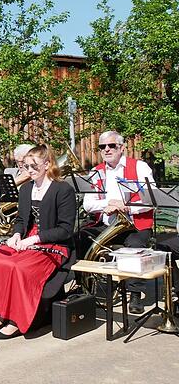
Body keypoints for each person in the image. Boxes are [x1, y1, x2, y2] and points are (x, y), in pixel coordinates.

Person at [0, 144, 76, 339]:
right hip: (28, 240)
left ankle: (16, 320)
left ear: (47, 164)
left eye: (34, 166)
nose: (29, 170)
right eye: (26, 166)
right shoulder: (27, 189)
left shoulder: (63, 190)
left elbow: (65, 230)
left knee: (18, 268)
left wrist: (35, 238)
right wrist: (17, 235)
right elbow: (21, 220)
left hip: (55, 245)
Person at [81, 130, 154, 314]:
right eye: (102, 146)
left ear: (121, 148)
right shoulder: (96, 172)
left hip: (135, 224)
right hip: (107, 225)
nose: (107, 149)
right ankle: (87, 288)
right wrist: (108, 203)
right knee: (79, 238)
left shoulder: (140, 167)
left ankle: (135, 293)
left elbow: (151, 200)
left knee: (134, 245)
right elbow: (88, 204)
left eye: (111, 145)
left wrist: (127, 207)